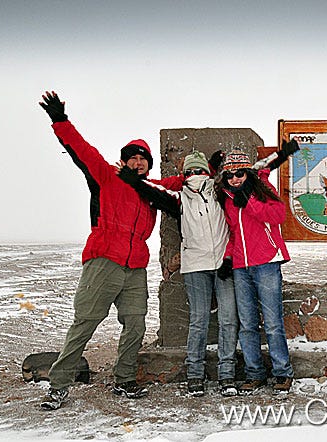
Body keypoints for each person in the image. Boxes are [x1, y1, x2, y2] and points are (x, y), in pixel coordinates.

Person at [37, 91, 177, 410]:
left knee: (136, 324)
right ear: (124, 160)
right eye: (133, 157)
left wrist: (142, 184)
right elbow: (80, 150)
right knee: (85, 323)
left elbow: (175, 202)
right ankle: (59, 385)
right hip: (103, 262)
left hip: (135, 269)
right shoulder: (105, 177)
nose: (138, 161)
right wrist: (60, 120)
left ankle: (124, 379)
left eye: (144, 158)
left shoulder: (148, 192)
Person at [116, 150, 239, 397]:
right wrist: (131, 178)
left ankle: (227, 374)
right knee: (199, 320)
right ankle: (195, 374)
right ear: (184, 176)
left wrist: (229, 257)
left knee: (228, 318)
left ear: (209, 173)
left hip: (223, 264)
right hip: (195, 266)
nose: (196, 176)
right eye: (190, 172)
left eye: (201, 171)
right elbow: (152, 190)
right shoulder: (179, 198)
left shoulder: (221, 193)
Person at [216, 143, 298, 394]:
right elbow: (233, 233)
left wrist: (249, 201)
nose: (234, 179)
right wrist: (229, 259)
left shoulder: (262, 189)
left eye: (239, 173)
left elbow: (278, 216)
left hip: (266, 263)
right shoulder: (227, 198)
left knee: (273, 322)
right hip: (241, 266)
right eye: (229, 175)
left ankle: (282, 373)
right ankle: (255, 373)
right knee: (247, 323)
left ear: (247, 173)